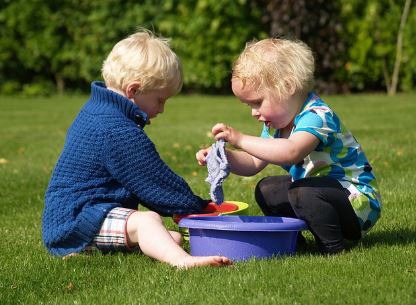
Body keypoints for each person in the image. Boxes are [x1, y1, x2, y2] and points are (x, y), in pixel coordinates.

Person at [42, 29, 232, 268]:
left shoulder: (99, 109)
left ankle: (90, 249)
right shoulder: (115, 129)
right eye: (160, 100)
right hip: (76, 221)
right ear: (133, 90)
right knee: (148, 221)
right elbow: (154, 181)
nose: (162, 109)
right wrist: (196, 206)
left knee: (169, 237)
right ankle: (183, 262)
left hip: (83, 214)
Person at [196, 38, 382, 254]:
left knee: (303, 192)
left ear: (287, 87)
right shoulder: (276, 126)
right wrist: (222, 156)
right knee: (267, 189)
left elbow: (291, 152)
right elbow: (253, 162)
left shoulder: (317, 115)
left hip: (356, 203)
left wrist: (239, 139)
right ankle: (292, 242)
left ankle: (333, 248)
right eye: (249, 105)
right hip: (318, 194)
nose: (253, 112)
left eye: (257, 102)